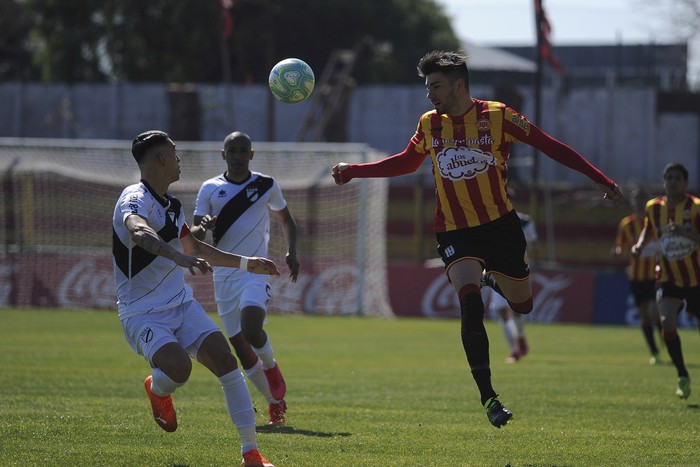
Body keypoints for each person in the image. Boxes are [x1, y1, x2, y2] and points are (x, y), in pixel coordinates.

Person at [331, 50, 623, 428]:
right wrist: (355, 171)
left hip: (501, 227)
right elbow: (407, 161)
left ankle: (492, 279)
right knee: (470, 304)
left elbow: (549, 145)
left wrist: (598, 176)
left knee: (524, 307)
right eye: (426, 87)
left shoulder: (498, 116)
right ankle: (489, 398)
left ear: (458, 85)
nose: (429, 94)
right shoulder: (429, 124)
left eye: (435, 86)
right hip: (455, 230)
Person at [112, 130, 278, 467]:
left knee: (227, 362)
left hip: (182, 305)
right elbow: (139, 232)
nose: (179, 159)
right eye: (174, 153)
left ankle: (251, 453)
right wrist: (179, 258)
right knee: (179, 369)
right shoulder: (134, 197)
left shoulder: (172, 205)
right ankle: (158, 389)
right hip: (142, 312)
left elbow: (197, 248)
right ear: (161, 159)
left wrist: (249, 263)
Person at [191, 131, 299, 426]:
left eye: (242, 151)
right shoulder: (210, 188)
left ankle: (271, 366)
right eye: (232, 151)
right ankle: (274, 403)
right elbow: (194, 235)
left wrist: (292, 252)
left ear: (251, 154)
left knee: (252, 330)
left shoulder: (265, 184)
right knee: (240, 349)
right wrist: (202, 225)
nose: (237, 156)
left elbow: (286, 219)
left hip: (255, 270)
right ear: (222, 154)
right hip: (223, 274)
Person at [632, 162, 700, 400]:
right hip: (668, 276)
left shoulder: (695, 207)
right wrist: (640, 245)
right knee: (666, 322)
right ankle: (682, 374)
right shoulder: (654, 207)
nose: (672, 181)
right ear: (664, 182)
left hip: (696, 277)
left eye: (677, 178)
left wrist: (683, 232)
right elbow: (648, 230)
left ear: (686, 182)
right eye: (669, 177)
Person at [612, 187, 663, 365]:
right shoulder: (627, 224)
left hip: (655, 274)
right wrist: (618, 251)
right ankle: (654, 352)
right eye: (636, 200)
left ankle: (665, 336)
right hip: (636, 276)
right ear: (632, 202)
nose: (639, 203)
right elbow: (621, 246)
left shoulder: (656, 222)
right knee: (644, 315)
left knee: (653, 312)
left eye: (643, 200)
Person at [486, 210, 538, 364]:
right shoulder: (487, 219)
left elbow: (533, 244)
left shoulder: (525, 222)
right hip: (496, 268)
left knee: (517, 310)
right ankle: (515, 350)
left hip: (518, 268)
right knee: (501, 310)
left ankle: (519, 335)